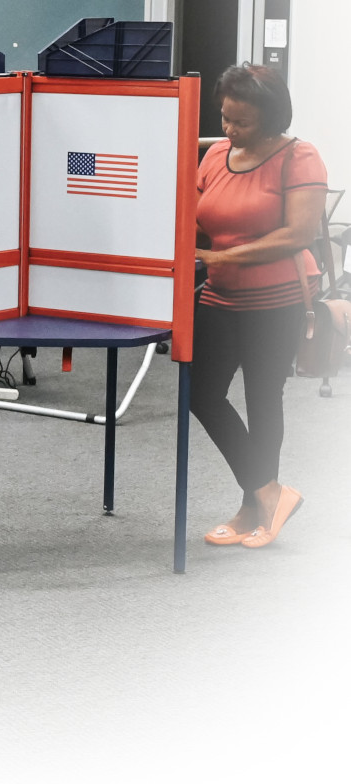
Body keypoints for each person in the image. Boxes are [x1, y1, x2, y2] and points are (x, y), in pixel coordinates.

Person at [193, 64, 326, 548]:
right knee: (200, 394)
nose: (228, 129)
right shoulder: (216, 157)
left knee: (261, 398)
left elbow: (299, 234)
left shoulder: (300, 157)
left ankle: (253, 511)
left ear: (270, 119)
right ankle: (271, 493)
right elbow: (197, 220)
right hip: (221, 293)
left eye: (241, 122)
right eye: (225, 118)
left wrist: (220, 255)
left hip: (278, 298)